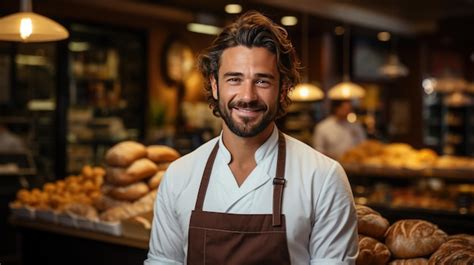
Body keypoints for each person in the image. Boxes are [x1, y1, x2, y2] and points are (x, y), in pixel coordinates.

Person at [145, 11, 358, 265]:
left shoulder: (323, 177)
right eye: (234, 79)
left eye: (263, 81)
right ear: (215, 85)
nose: (247, 95)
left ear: (283, 89)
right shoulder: (179, 175)